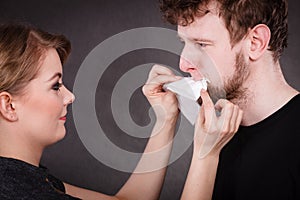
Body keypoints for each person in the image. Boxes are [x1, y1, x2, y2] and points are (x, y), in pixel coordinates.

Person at [0, 22, 184, 200]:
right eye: (55, 86)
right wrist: (206, 150)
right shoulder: (22, 192)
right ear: (9, 105)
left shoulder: (26, 179)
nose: (70, 96)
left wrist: (165, 118)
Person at [144, 0, 299, 199]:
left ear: (255, 42)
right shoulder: (217, 135)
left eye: (201, 44)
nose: (183, 64)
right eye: (184, 43)